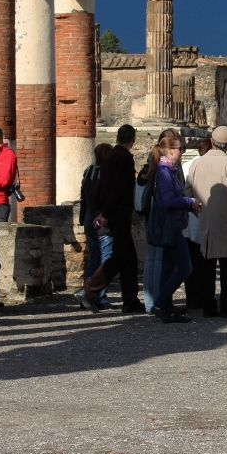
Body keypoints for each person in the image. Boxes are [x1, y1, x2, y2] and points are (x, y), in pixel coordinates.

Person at [76, 125, 142, 313]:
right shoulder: (124, 158)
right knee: (119, 256)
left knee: (129, 257)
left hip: (112, 211)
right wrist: (105, 214)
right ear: (133, 139)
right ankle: (88, 290)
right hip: (119, 212)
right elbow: (118, 189)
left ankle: (130, 300)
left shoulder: (109, 157)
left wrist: (103, 211)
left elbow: (103, 190)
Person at [187, 125, 227, 317]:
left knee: (206, 265)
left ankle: (208, 305)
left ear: (212, 142)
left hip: (204, 218)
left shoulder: (196, 163)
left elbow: (188, 192)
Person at [146, 132, 199, 323]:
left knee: (167, 268)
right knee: (185, 267)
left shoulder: (167, 170)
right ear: (170, 151)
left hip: (172, 224)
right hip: (170, 225)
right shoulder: (165, 172)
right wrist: (189, 201)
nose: (182, 152)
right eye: (180, 148)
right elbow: (168, 200)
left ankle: (166, 307)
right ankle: (160, 303)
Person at [142, 127, 182, 313]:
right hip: (164, 219)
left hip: (150, 215)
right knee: (161, 260)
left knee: (152, 260)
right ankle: (159, 300)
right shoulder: (168, 169)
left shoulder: (151, 164)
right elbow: (173, 195)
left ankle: (151, 302)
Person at [79, 142, 114, 309]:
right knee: (106, 260)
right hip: (102, 221)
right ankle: (97, 296)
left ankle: (89, 294)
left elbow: (83, 199)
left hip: (88, 219)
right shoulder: (106, 174)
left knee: (94, 259)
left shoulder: (88, 172)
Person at [183, 138, 211, 310]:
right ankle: (201, 297)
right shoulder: (205, 166)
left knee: (190, 262)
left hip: (188, 219)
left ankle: (191, 298)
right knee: (202, 262)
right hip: (201, 217)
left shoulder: (187, 165)